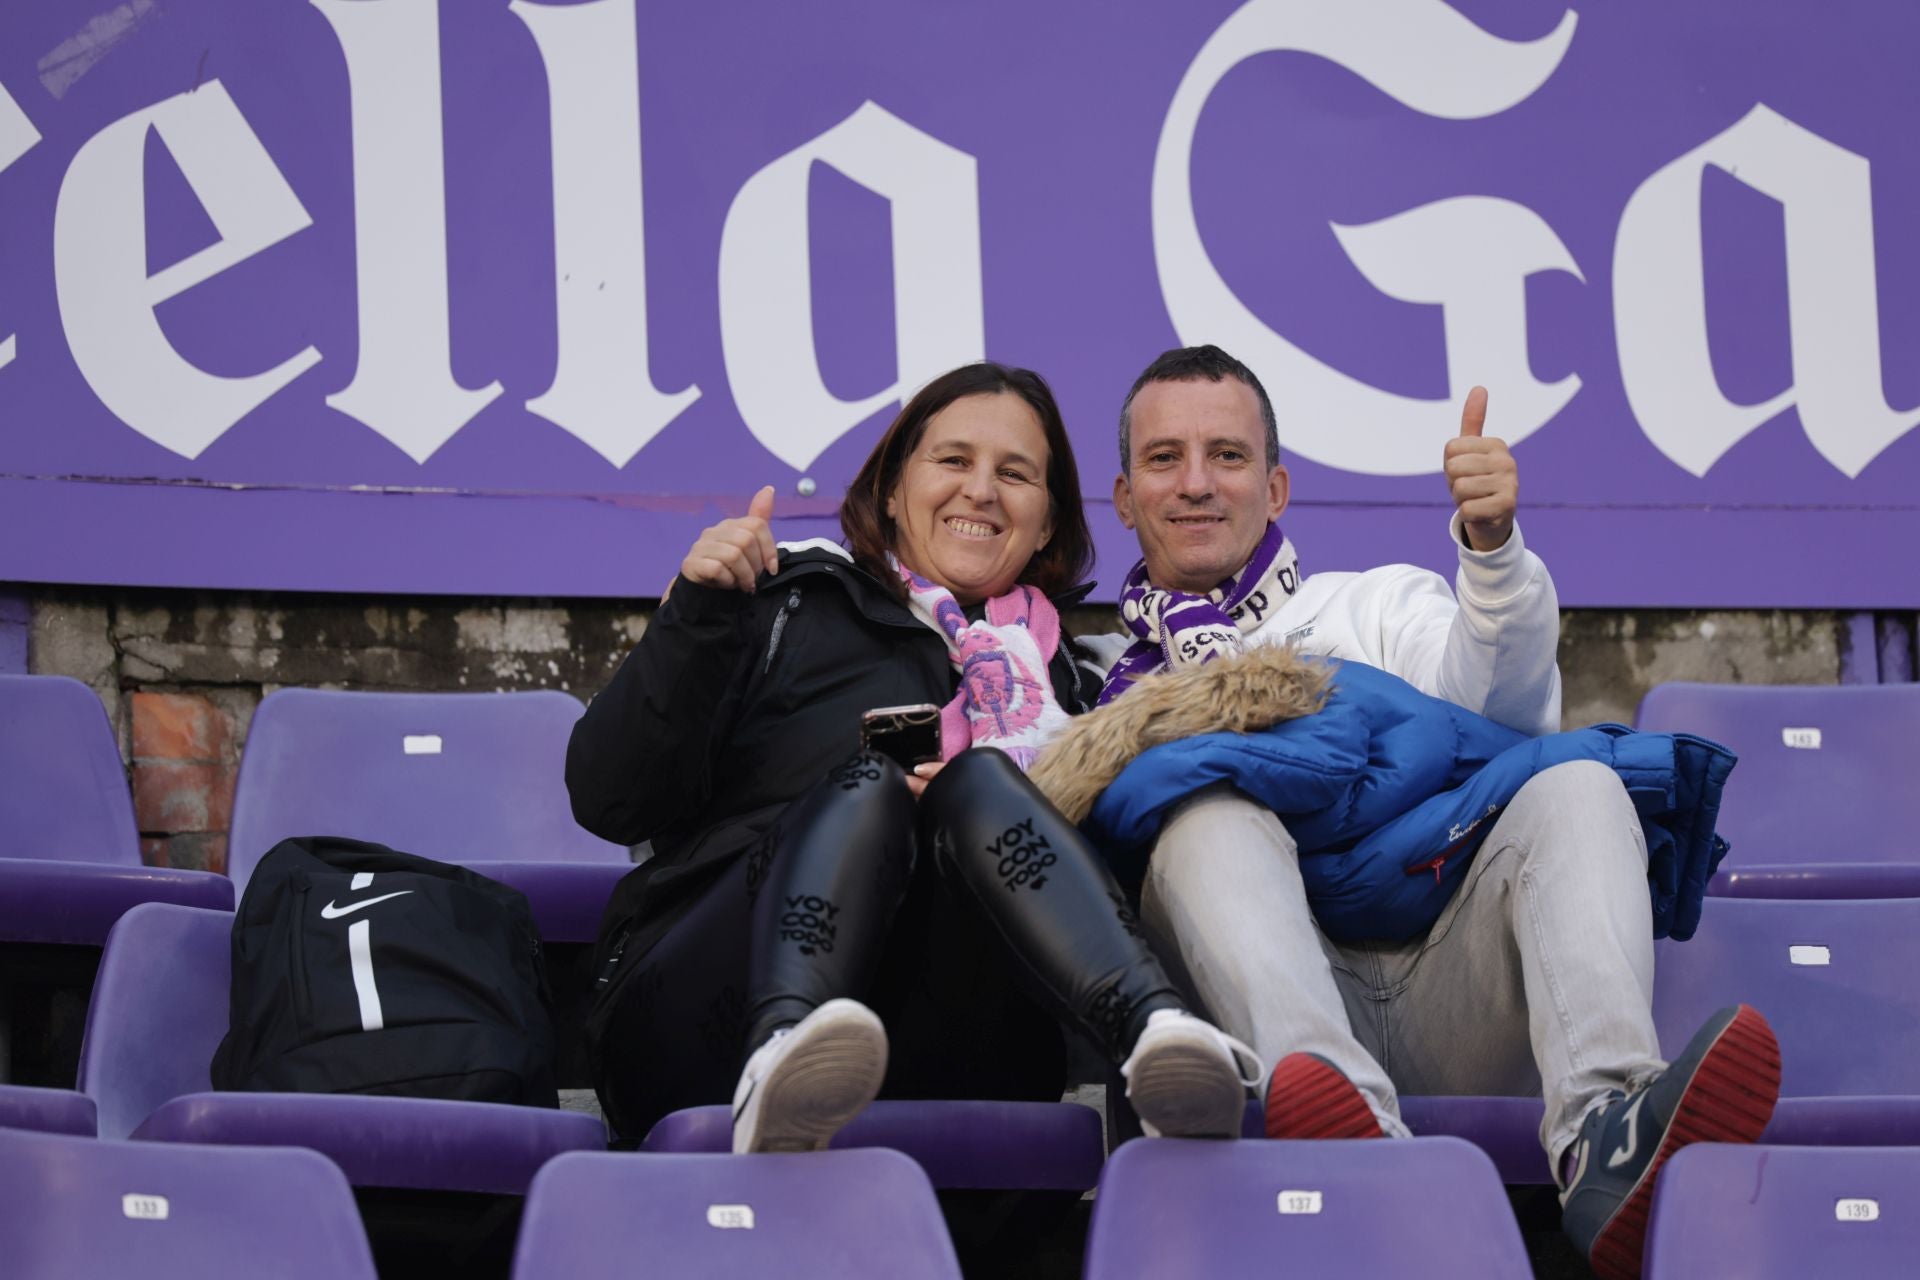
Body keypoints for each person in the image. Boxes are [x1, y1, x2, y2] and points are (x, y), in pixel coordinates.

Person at [1071, 345, 1778, 1279]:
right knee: (1205, 813)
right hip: (1246, 1038)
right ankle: (1350, 1133)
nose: (1197, 483)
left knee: (1574, 781)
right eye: (1166, 459)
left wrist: (1492, 554)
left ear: (1276, 488)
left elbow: (1501, 710)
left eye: (1228, 457)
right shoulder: (1088, 690)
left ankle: (1608, 1130)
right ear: (1124, 498)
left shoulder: (1371, 604)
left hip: (1448, 992)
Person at [566, 361, 1257, 1153]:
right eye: (954, 461)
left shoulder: (1077, 685)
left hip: (952, 1037)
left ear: (1047, 521)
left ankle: (1158, 1042)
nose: (982, 491)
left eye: (1016, 474)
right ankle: (783, 1052)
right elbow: (607, 797)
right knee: (873, 785)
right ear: (892, 490)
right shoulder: (784, 600)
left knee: (979, 779)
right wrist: (695, 618)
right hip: (703, 1016)